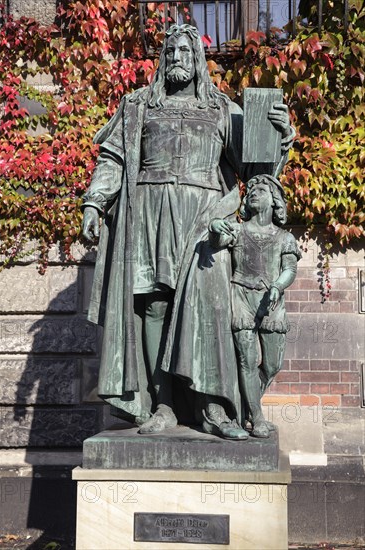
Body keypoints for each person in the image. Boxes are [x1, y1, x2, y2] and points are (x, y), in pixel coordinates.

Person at [82, 24, 295, 438]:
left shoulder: (222, 108)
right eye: (169, 50)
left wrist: (280, 139)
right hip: (147, 212)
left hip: (204, 219)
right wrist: (94, 201)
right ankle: (162, 405)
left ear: (197, 57)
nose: (176, 57)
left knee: (211, 308)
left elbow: (257, 171)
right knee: (155, 305)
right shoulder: (139, 105)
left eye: (184, 50)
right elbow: (112, 159)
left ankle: (212, 407)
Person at [208, 175, 301, 438]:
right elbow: (216, 243)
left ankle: (246, 407)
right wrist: (215, 227)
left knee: (272, 365)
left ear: (275, 201)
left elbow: (290, 269)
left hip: (272, 301)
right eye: (250, 190)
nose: (252, 193)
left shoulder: (285, 238)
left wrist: (277, 286)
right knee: (246, 361)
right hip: (241, 298)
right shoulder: (237, 230)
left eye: (261, 190)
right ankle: (257, 418)